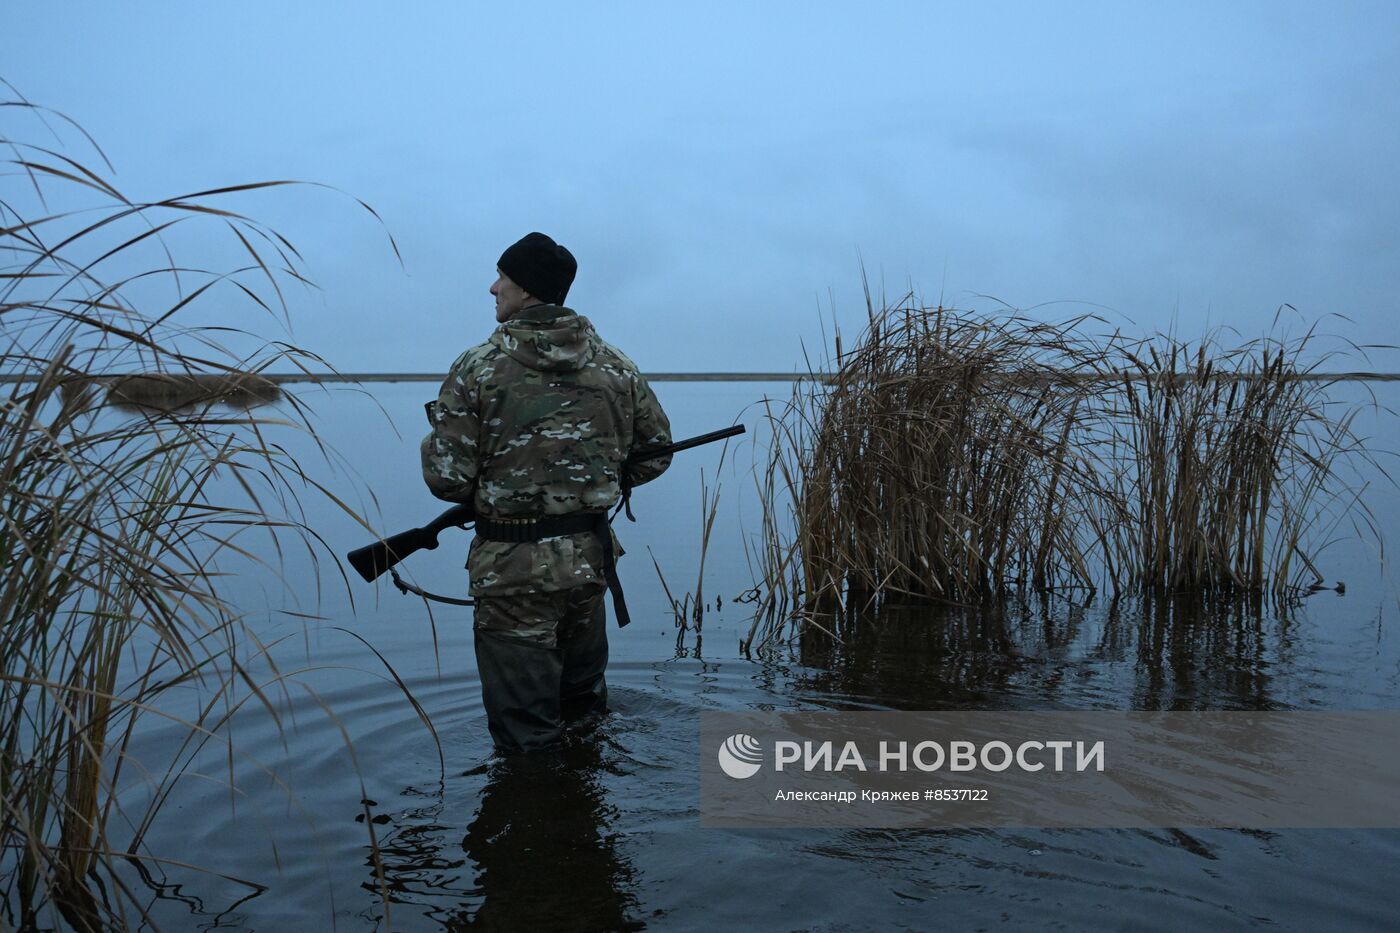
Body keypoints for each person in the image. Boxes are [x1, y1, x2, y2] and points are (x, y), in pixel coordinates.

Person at [421, 232, 672, 755]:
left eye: (503, 278)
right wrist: (592, 485)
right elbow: (656, 453)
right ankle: (586, 821)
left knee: (525, 736)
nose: (493, 288)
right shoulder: (616, 366)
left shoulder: (476, 368)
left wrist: (448, 446)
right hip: (589, 566)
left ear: (528, 290)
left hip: (513, 575)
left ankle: (534, 823)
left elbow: (447, 480)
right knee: (584, 713)